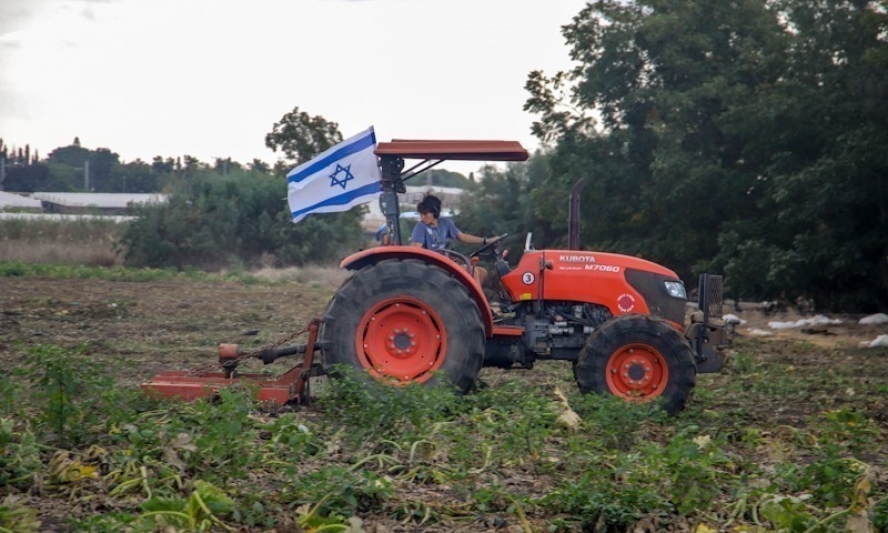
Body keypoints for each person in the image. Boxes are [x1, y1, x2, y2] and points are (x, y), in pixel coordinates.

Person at [410, 194, 493, 284]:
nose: (422, 217)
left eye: (425, 213)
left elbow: (463, 237)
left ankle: (466, 295)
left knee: (483, 272)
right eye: (421, 214)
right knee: (473, 273)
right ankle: (474, 298)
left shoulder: (445, 223)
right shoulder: (420, 227)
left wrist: (486, 241)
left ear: (435, 212)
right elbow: (416, 250)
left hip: (446, 262)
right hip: (434, 266)